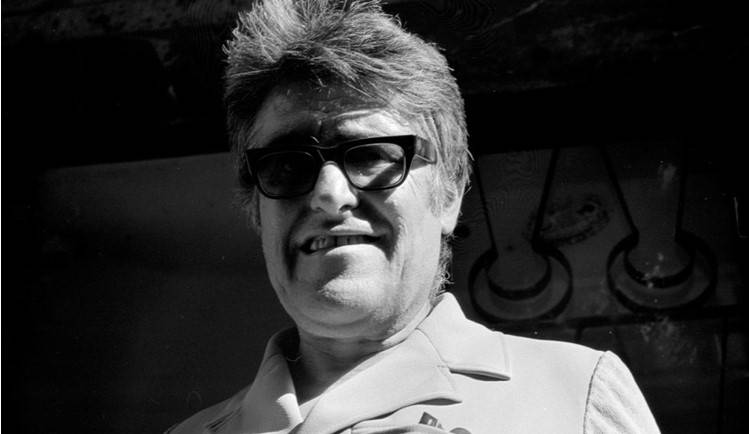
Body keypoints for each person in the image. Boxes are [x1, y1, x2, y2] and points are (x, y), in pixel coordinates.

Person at [168, 0, 660, 432]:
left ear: (450, 194)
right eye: (287, 164)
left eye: (370, 155)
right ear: (256, 209)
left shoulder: (577, 399)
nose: (329, 194)